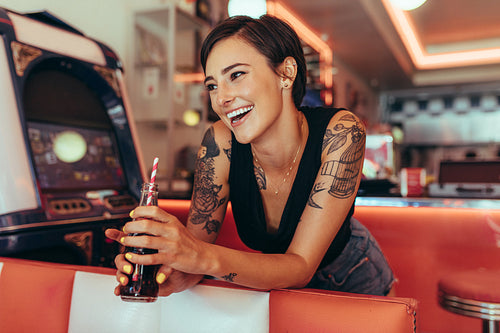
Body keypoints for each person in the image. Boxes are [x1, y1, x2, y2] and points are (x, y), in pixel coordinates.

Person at [105, 15, 394, 296]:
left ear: (286, 73)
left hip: (352, 278)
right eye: (212, 85)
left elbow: (301, 266)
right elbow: (195, 254)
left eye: (237, 75)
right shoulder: (219, 142)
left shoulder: (342, 132)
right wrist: (164, 269)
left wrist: (198, 255)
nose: (221, 98)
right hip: (273, 285)